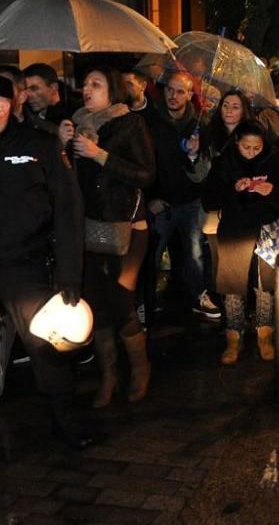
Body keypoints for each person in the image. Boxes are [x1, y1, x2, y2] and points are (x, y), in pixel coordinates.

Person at [0, 72, 92, 456]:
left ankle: (66, 424)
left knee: (46, 353)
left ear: (2, 107)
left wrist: (70, 275)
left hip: (27, 270)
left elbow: (69, 213)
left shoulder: (39, 146)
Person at [58, 67, 155, 407]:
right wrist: (63, 146)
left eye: (96, 84)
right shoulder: (75, 124)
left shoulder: (130, 123)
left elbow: (145, 174)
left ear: (112, 91)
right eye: (85, 84)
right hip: (87, 226)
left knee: (122, 301)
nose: (87, 89)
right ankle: (109, 375)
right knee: (96, 302)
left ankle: (140, 370)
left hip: (127, 227)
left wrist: (99, 155)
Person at [202, 120, 279, 364]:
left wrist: (271, 191)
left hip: (265, 228)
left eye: (256, 148)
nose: (251, 153)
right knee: (232, 282)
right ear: (236, 142)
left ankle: (264, 332)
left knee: (264, 282)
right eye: (246, 147)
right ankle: (234, 335)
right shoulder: (224, 161)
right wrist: (233, 189)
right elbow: (209, 200)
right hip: (235, 228)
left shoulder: (273, 159)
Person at [142, 72, 216, 320]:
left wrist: (194, 155)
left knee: (194, 254)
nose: (174, 96)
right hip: (160, 203)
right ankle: (146, 303)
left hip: (190, 201)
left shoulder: (198, 124)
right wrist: (150, 197)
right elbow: (143, 162)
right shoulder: (149, 122)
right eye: (170, 90)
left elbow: (204, 171)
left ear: (190, 95)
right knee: (151, 255)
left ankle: (198, 296)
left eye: (180, 91)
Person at [22, 63, 80, 135]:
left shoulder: (76, 117)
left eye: (34, 88)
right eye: (25, 89)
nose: (28, 95)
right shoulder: (25, 115)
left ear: (53, 87)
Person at [207, 89, 254, 158]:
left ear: (243, 111)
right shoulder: (209, 131)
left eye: (235, 107)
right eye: (225, 105)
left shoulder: (251, 137)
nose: (229, 110)